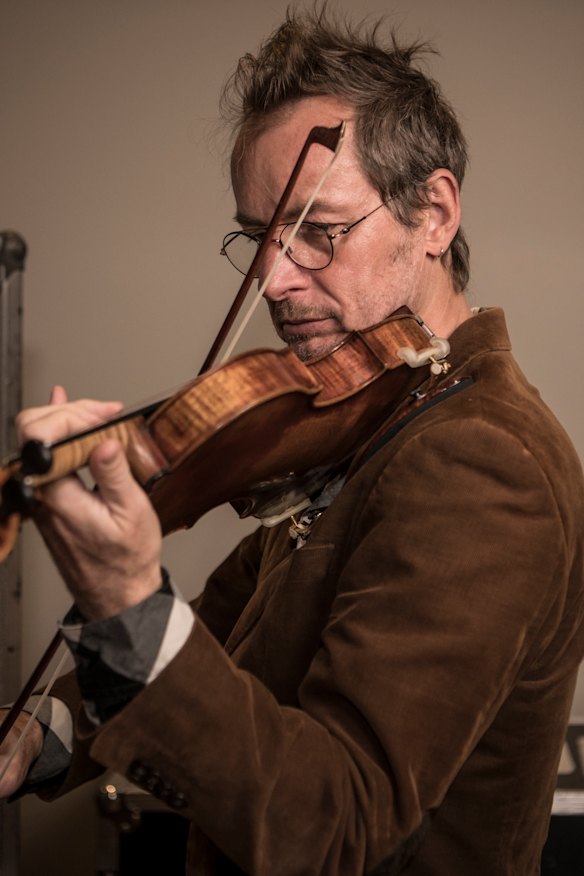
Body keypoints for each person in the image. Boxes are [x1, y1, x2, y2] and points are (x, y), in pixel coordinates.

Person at [1, 8, 583, 875]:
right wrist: (42, 737)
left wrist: (125, 599)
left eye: (319, 231)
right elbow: (224, 639)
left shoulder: (483, 459)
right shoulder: (366, 420)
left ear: (433, 212)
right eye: (260, 236)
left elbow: (336, 823)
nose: (272, 278)